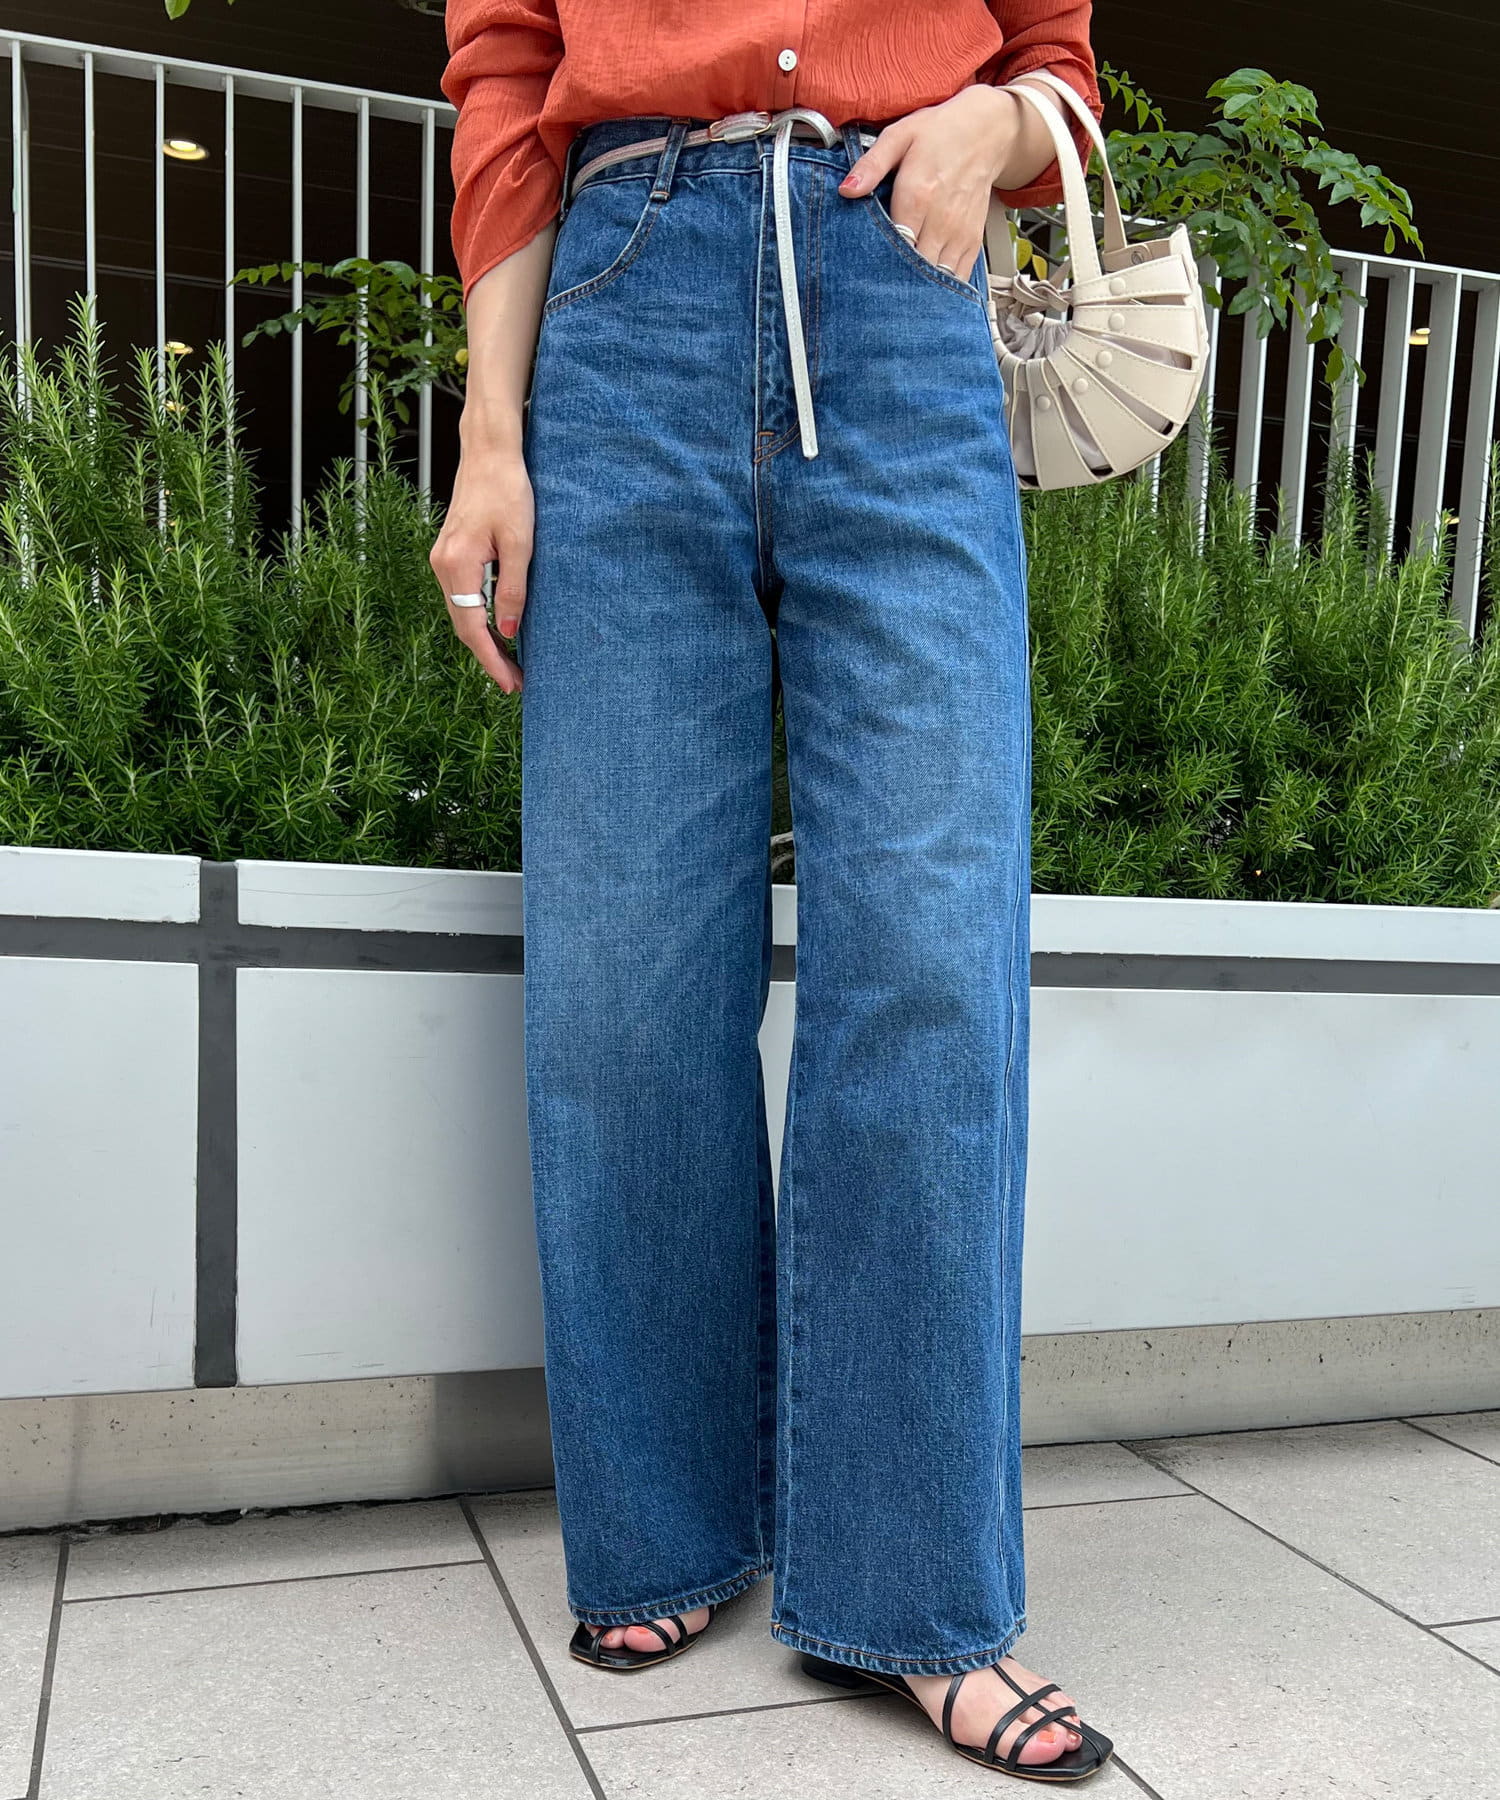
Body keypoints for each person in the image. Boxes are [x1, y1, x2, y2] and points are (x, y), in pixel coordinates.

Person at [431, 2, 1112, 1780]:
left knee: (934, 967)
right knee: (623, 981)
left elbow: (1057, 60)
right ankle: (665, 1528)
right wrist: (492, 434)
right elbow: (505, 80)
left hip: (901, 288)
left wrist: (990, 133)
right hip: (623, 303)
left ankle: (919, 1589)